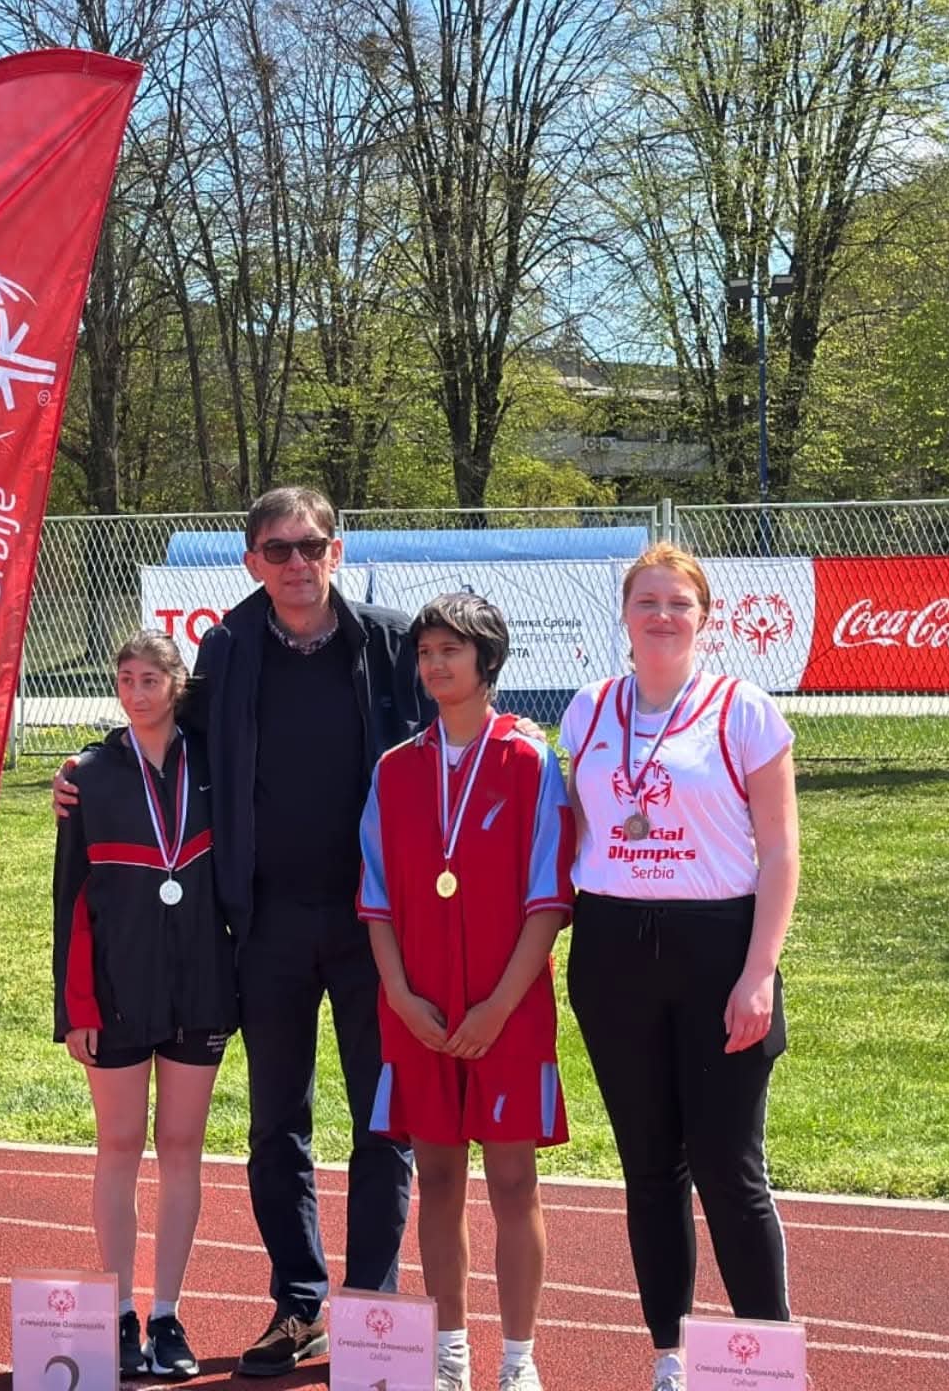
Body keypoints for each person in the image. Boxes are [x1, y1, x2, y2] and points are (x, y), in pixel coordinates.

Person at [56, 486, 433, 1376]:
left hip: (375, 926)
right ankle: (299, 1306)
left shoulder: (389, 643)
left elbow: (447, 730)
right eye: (278, 549)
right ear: (251, 561)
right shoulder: (228, 648)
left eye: (311, 546)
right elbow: (164, 719)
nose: (297, 563)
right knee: (277, 1128)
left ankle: (371, 1310)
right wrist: (92, 763)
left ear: (338, 550)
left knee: (385, 1122)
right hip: (264, 927)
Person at [558, 543, 799, 1391]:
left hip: (717, 948)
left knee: (729, 1167)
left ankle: (767, 1362)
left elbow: (780, 851)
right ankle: (671, 1355)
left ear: (705, 617)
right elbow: (577, 831)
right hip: (612, 949)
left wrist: (759, 971)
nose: (662, 615)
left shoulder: (745, 710)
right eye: (647, 602)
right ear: (625, 615)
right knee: (650, 1166)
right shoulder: (588, 710)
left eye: (678, 603)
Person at [357, 593, 575, 1391]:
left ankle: (518, 1361)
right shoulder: (395, 769)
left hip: (506, 1011)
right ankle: (450, 1355)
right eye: (425, 653)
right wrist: (399, 995)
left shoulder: (529, 760)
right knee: (439, 1181)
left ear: (488, 660)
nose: (435, 665)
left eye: (451, 650)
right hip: (417, 1011)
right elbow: (376, 898)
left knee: (514, 1183)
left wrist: (498, 1007)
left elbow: (548, 899)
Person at [52, 630, 237, 1381]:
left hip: (200, 985)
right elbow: (69, 900)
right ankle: (121, 1313)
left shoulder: (214, 768)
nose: (136, 693)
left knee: (182, 1147)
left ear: (177, 684)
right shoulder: (90, 776)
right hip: (116, 988)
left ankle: (167, 1313)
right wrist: (75, 1008)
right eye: (125, 679)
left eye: (150, 679)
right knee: (120, 1144)